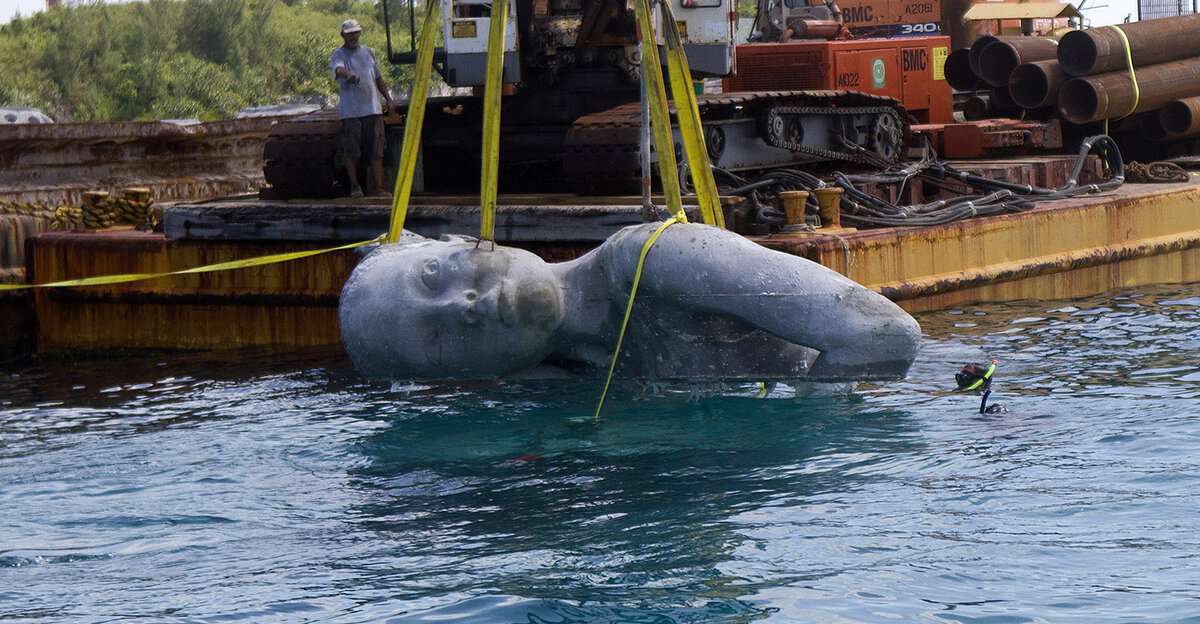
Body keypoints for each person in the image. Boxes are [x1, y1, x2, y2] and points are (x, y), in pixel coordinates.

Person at [338, 222, 922, 382]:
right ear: (469, 378)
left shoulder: (655, 261)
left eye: (434, 275)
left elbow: (883, 334)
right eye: (437, 344)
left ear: (459, 240)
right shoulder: (558, 375)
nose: (460, 306)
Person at [331, 19, 394, 198]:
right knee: (350, 150)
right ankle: (355, 186)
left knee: (376, 149)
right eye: (349, 34)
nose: (353, 36)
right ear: (343, 35)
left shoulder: (368, 52)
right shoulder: (339, 54)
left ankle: (380, 187)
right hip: (351, 112)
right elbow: (338, 69)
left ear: (359, 33)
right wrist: (348, 74)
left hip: (372, 109)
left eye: (355, 33)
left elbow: (378, 78)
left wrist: (388, 99)